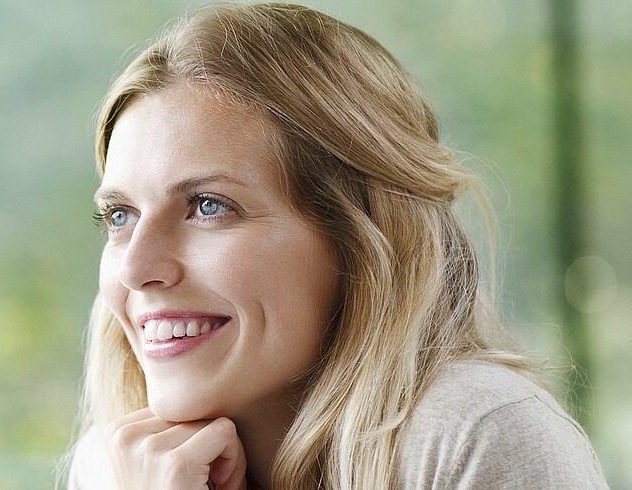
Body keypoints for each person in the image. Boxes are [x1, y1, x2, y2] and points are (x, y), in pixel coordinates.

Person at [62, 3, 609, 489]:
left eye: (209, 205)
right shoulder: (118, 469)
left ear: (360, 237)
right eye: (120, 215)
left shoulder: (478, 435)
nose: (135, 267)